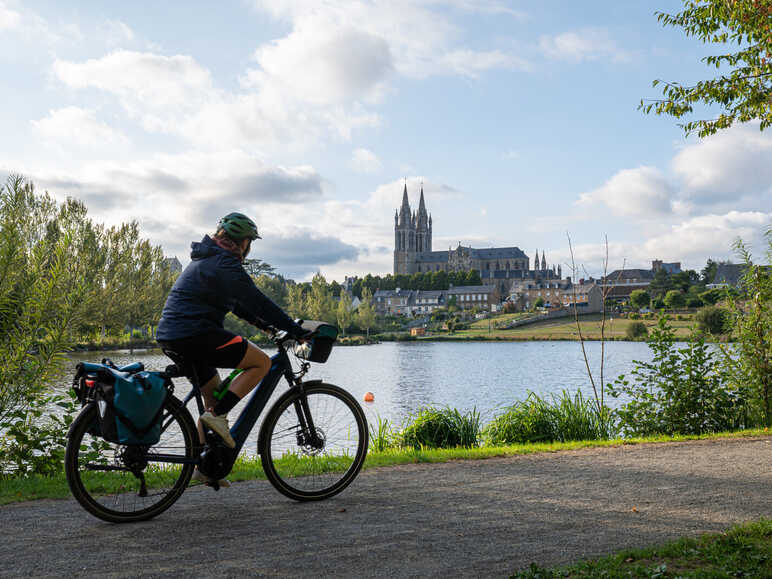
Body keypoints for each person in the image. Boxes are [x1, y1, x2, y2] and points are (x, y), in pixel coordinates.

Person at [156, 212, 306, 486]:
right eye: (249, 243)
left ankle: (205, 467)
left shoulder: (209, 258)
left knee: (214, 397)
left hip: (172, 337)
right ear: (243, 242)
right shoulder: (225, 262)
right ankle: (214, 418)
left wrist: (266, 327)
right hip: (195, 334)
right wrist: (296, 331)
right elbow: (257, 300)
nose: (249, 249)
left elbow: (238, 304)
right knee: (261, 363)